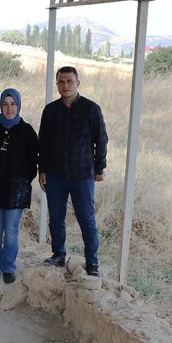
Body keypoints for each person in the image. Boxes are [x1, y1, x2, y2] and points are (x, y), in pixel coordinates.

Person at [38, 65, 108, 276]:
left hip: (82, 174)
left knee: (86, 218)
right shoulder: (50, 110)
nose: (65, 85)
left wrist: (99, 167)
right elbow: (44, 142)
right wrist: (42, 170)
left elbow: (101, 139)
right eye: (61, 81)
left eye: (70, 81)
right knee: (56, 217)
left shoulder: (91, 109)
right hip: (56, 174)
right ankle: (58, 254)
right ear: (57, 84)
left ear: (78, 83)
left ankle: (92, 263)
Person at [0, 88, 38, 286]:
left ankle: (8, 268)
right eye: (5, 104)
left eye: (13, 104)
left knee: (11, 231)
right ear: (0, 105)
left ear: (19, 105)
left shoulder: (27, 131)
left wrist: (21, 180)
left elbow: (33, 163)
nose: (9, 108)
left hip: (16, 190)